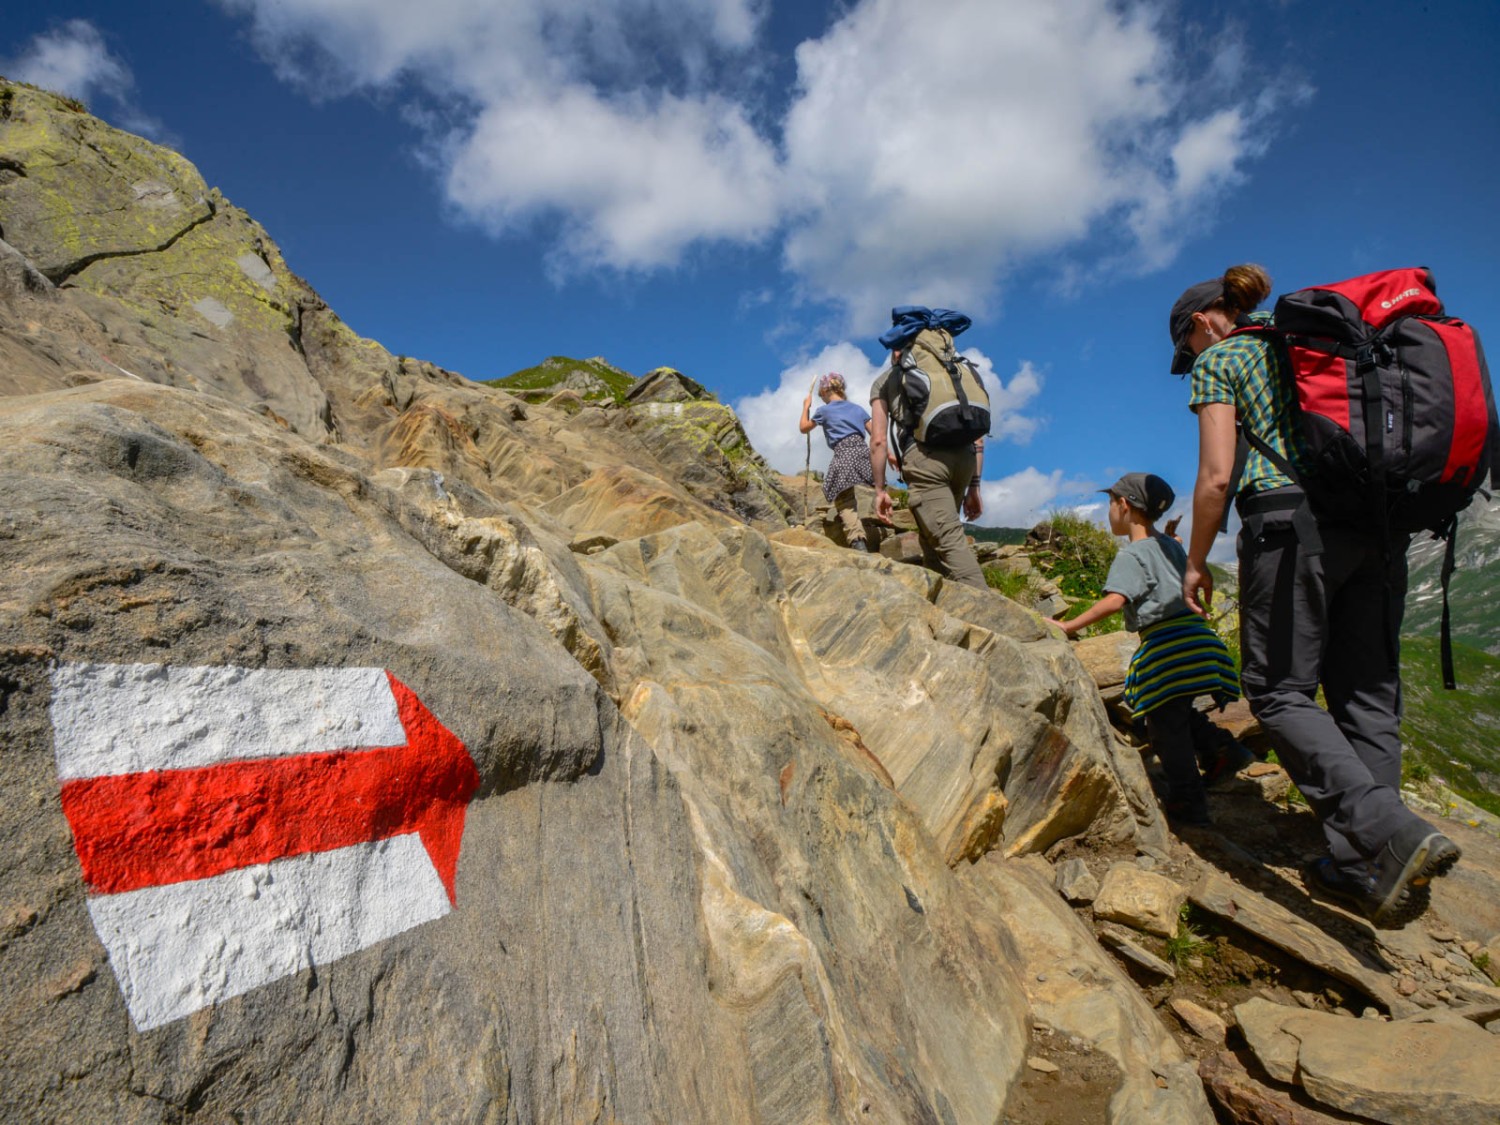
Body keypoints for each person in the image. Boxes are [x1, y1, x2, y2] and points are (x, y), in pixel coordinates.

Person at [1170, 263, 1460, 927]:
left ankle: (1387, 830)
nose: (1190, 363)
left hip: (1288, 524)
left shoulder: (1225, 358)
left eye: (1185, 353)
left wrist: (1194, 562)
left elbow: (1217, 477)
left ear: (1199, 326)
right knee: (1367, 693)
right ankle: (1364, 868)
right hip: (1377, 526)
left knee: (1276, 690)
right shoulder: (1313, 344)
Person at [1054, 473, 1248, 826]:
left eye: (1110, 504)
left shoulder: (1132, 554)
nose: (1108, 513)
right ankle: (1222, 749)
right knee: (1178, 708)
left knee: (1162, 723)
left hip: (1167, 644)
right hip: (1199, 639)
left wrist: (1068, 626)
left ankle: (1189, 801)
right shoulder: (1171, 545)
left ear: (1124, 505)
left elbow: (1115, 600)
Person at [869, 354, 987, 589]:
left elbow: (879, 441)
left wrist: (880, 489)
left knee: (948, 540)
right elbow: (979, 439)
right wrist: (974, 487)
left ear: (896, 349)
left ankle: (999, 618)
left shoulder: (886, 380)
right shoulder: (955, 373)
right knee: (932, 536)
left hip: (926, 462)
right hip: (964, 459)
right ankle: (944, 605)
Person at [800, 373, 875, 551]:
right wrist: (888, 455)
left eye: (821, 395)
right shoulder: (857, 409)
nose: (822, 399)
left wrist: (806, 407)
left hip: (844, 453)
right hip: (863, 452)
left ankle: (857, 540)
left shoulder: (824, 411)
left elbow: (804, 428)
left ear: (826, 390)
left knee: (844, 499)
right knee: (871, 490)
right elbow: (876, 434)